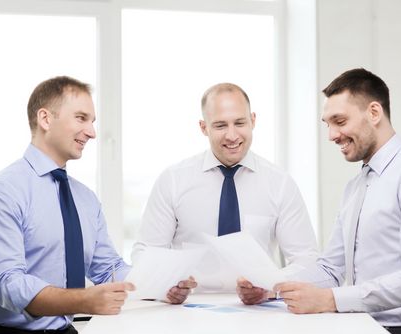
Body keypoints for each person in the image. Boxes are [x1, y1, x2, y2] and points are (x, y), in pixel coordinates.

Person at [0, 76, 194, 334]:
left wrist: (163, 288)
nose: (92, 132)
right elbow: (10, 286)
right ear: (46, 119)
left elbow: (108, 268)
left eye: (92, 121)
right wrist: (84, 300)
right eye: (81, 118)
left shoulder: (84, 199)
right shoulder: (2, 192)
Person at [263, 68, 401, 334]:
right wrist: (270, 285)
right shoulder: (356, 187)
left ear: (374, 113)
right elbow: (330, 268)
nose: (331, 135)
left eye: (339, 121)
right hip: (364, 327)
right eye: (327, 124)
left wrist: (330, 300)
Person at [132, 82, 318, 294]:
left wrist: (271, 285)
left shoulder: (280, 183)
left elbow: (307, 259)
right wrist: (166, 286)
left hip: (261, 316)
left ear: (253, 120)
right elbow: (146, 252)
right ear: (204, 127)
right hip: (186, 312)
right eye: (220, 126)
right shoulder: (173, 181)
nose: (232, 136)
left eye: (239, 123)